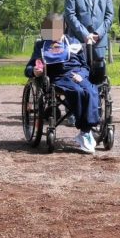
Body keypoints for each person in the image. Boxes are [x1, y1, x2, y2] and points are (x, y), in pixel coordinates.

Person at [25, 13, 100, 154]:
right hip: (58, 77)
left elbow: (85, 66)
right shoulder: (41, 46)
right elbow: (28, 68)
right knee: (77, 91)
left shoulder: (74, 42)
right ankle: (85, 131)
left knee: (91, 90)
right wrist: (34, 71)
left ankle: (87, 129)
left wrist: (81, 75)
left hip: (78, 74)